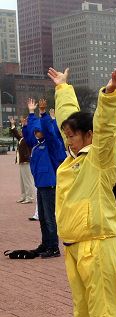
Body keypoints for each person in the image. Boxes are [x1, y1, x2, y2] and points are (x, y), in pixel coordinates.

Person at [48, 66, 116, 317]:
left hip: (98, 245)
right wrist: (64, 88)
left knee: (104, 311)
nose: (68, 138)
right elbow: (68, 118)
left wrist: (109, 93)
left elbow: (105, 128)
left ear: (88, 137)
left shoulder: (99, 157)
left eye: (74, 135)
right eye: (66, 134)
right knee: (83, 311)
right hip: (74, 248)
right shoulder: (69, 160)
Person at [25, 98, 66, 258]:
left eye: (38, 130)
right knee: (42, 216)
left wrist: (43, 114)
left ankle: (54, 246)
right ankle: (45, 243)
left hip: (49, 184)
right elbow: (28, 134)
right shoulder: (36, 144)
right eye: (36, 131)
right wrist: (31, 113)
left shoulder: (51, 144)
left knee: (49, 217)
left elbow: (49, 130)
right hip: (41, 184)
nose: (36, 132)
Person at [10, 116, 36, 204]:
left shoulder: (29, 139)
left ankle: (30, 197)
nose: (21, 131)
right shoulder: (22, 139)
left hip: (26, 161)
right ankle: (24, 196)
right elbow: (16, 134)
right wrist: (13, 124)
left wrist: (26, 126)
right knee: (22, 181)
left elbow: (26, 132)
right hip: (21, 161)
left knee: (28, 181)